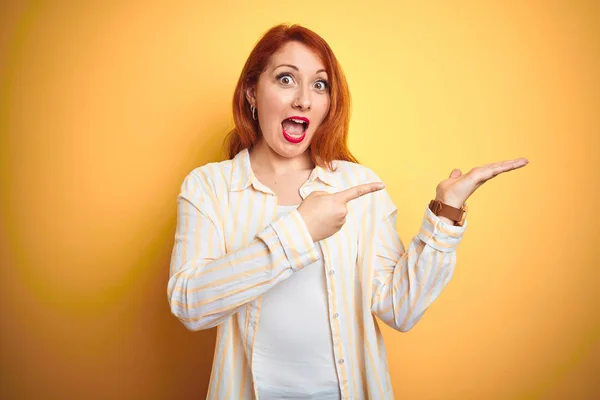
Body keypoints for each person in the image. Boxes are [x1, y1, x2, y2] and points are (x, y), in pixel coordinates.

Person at [167, 23, 528, 399]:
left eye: (319, 85)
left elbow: (400, 309)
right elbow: (190, 305)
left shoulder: (357, 186)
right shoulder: (208, 187)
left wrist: (447, 212)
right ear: (251, 93)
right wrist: (300, 231)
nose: (303, 99)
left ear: (328, 105)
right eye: (286, 79)